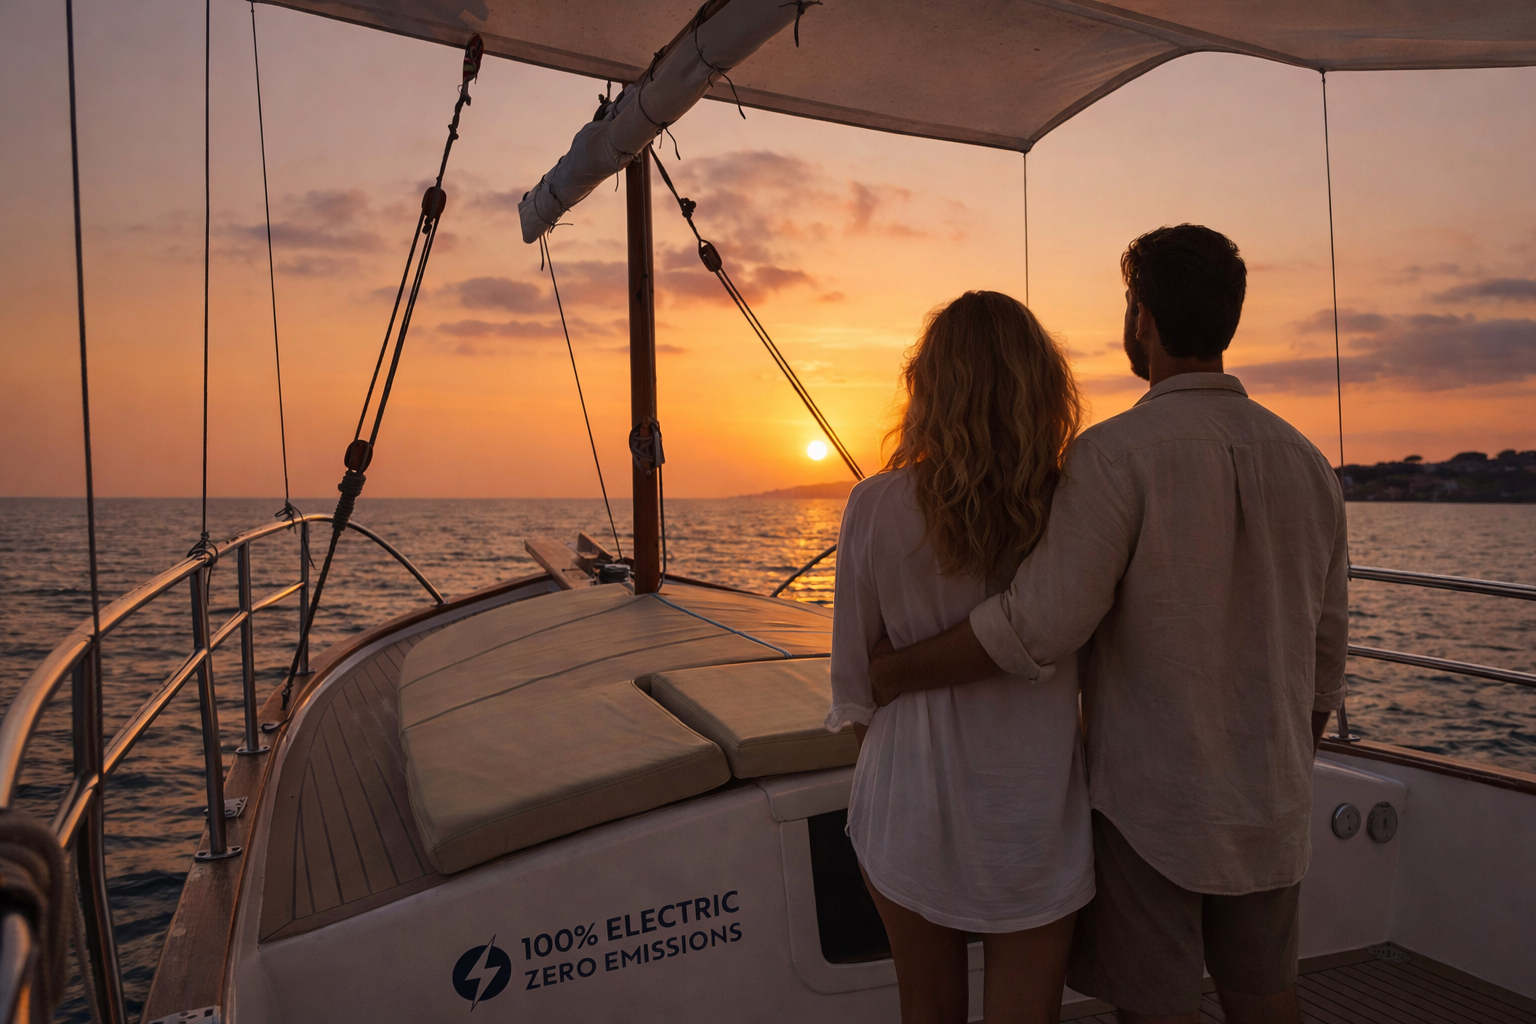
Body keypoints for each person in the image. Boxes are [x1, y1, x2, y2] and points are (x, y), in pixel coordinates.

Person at [867, 225, 1349, 1024]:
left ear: (1144, 321)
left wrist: (892, 673)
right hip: (1272, 799)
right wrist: (1284, 761)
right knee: (1266, 999)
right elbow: (1326, 658)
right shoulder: (1308, 465)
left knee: (1156, 1006)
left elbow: (1038, 627)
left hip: (1148, 808)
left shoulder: (1115, 455)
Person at [828, 290, 1094, 1024]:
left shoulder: (875, 507)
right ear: (1043, 386)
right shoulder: (1074, 509)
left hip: (908, 801)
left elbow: (856, 690)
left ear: (926, 384)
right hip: (1033, 810)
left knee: (928, 1009)